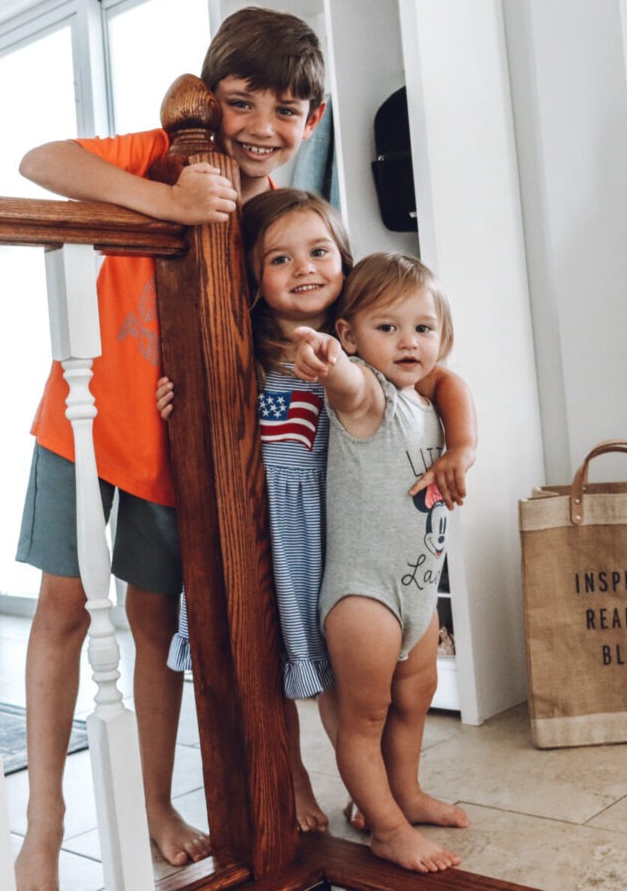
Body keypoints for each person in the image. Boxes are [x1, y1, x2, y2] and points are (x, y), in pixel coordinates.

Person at [12, 7, 327, 891]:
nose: (261, 128)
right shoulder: (160, 153)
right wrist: (170, 202)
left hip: (176, 451)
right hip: (80, 427)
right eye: (241, 104)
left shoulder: (275, 223)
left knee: (157, 632)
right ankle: (43, 829)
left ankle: (155, 802)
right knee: (63, 614)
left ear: (314, 120)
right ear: (208, 102)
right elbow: (41, 163)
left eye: (287, 111)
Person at [157, 189, 476, 837]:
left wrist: (464, 442)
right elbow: (214, 429)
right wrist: (178, 401)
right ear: (253, 273)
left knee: (351, 685)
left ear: (343, 258)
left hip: (342, 536)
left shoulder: (371, 345)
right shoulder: (242, 349)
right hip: (270, 533)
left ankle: (382, 793)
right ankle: (295, 777)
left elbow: (438, 376)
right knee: (269, 670)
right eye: (281, 258)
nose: (304, 268)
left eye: (319, 251)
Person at [292, 252, 473, 874]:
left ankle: (404, 793)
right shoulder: (367, 395)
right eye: (387, 327)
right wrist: (328, 361)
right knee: (364, 716)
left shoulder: (426, 397)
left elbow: (451, 380)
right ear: (350, 335)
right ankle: (387, 828)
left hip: (419, 588)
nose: (408, 342)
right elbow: (341, 380)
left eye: (422, 329)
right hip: (364, 596)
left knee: (416, 695)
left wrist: (464, 448)